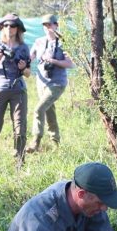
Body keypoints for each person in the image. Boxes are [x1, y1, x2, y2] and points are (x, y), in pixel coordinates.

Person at [0, 13, 30, 165]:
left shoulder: (23, 48)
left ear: (18, 29)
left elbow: (28, 74)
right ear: (2, 28)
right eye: (6, 25)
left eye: (12, 25)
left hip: (18, 89)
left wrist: (23, 68)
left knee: (20, 126)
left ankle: (20, 159)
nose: (9, 28)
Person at [25, 14, 74, 153]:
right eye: (45, 25)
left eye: (50, 24)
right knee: (49, 111)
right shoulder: (39, 41)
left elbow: (70, 63)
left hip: (57, 82)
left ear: (56, 25)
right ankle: (55, 142)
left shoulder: (64, 41)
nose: (47, 27)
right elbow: (30, 57)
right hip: (41, 82)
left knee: (39, 109)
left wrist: (53, 61)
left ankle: (35, 142)